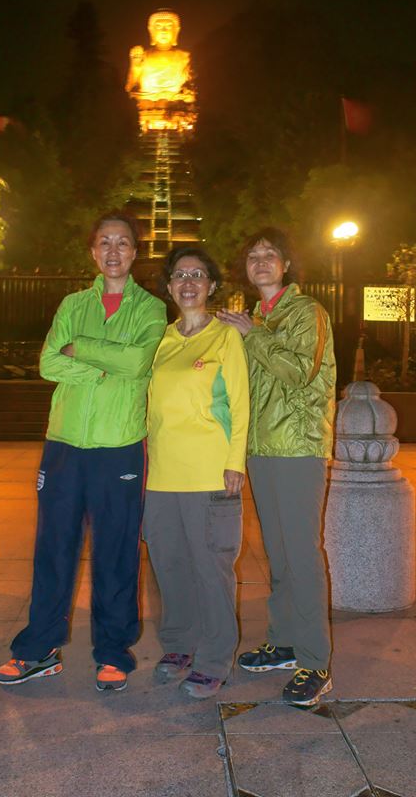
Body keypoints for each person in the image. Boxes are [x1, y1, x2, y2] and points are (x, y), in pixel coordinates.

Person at [0, 212, 167, 691]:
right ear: (92, 251)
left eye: (123, 243)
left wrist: (82, 348)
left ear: (135, 253)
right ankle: (38, 649)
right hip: (64, 445)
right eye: (105, 242)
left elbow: (139, 362)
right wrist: (103, 368)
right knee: (53, 548)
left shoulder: (151, 308)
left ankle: (113, 652)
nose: (113, 251)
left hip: (119, 447)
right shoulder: (73, 303)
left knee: (116, 552)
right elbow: (49, 362)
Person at [217, 227, 336, 707]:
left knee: (302, 555)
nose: (261, 261)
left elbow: (299, 371)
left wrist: (253, 334)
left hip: (299, 447)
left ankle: (315, 662)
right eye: (253, 255)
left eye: (270, 254)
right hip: (262, 448)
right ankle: (284, 641)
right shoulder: (255, 318)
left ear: (286, 264)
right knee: (279, 554)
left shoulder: (306, 312)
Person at [144, 246, 249, 700]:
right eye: (180, 275)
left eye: (198, 275)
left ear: (211, 286)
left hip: (210, 472)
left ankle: (214, 659)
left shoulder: (225, 337)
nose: (188, 282)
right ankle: (179, 644)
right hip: (160, 475)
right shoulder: (160, 340)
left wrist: (234, 461)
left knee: (212, 569)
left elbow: (241, 404)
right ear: (169, 287)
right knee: (168, 566)